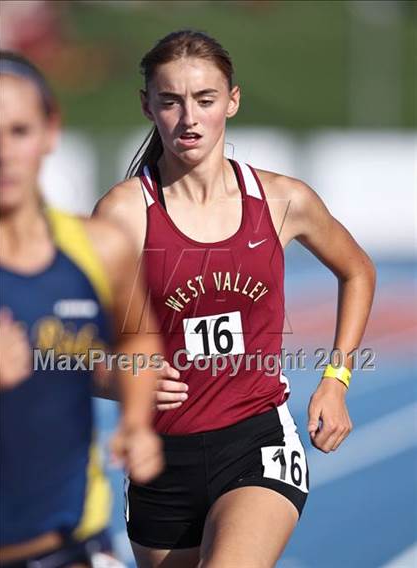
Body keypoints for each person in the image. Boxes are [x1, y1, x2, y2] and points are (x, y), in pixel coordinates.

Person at [94, 30, 376, 568]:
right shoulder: (124, 213)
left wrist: (336, 381)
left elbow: (357, 270)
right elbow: (73, 344)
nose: (190, 119)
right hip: (160, 462)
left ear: (233, 100)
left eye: (205, 100)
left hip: (257, 442)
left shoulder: (281, 200)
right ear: (147, 105)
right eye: (172, 101)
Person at [0, 50, 164, 567]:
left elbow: (138, 336)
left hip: (75, 547)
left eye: (19, 130)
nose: (2, 152)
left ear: (50, 132)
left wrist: (136, 420)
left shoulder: (101, 248)